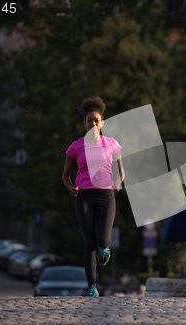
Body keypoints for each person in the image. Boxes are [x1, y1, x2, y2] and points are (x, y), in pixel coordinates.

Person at [62, 96, 125, 297]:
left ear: (102, 123)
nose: (93, 123)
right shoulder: (75, 146)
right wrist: (71, 187)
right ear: (84, 123)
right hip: (84, 197)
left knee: (103, 238)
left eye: (97, 120)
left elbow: (121, 171)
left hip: (106, 196)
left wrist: (118, 181)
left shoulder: (113, 144)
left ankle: (105, 249)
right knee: (89, 242)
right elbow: (65, 175)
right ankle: (92, 287)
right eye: (90, 120)